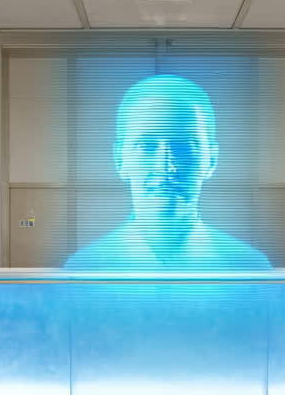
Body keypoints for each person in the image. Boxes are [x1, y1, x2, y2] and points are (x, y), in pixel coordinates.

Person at [65, 74, 270, 270]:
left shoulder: (252, 267)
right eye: (146, 146)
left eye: (184, 147)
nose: (166, 167)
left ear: (212, 159)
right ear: (119, 159)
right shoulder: (83, 267)